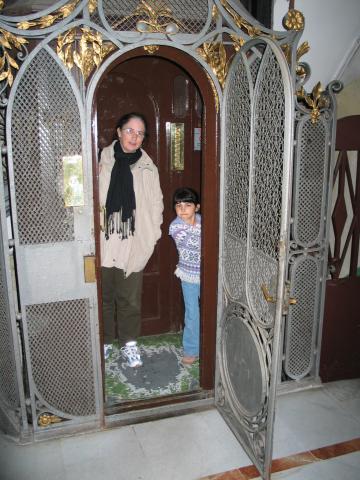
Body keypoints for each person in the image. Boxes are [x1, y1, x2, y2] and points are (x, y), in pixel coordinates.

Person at [99, 113, 163, 367]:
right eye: (129, 131)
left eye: (140, 133)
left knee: (129, 300)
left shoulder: (148, 167)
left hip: (133, 244)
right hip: (103, 242)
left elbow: (157, 205)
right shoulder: (101, 161)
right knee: (102, 298)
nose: (134, 137)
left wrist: (152, 237)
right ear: (118, 132)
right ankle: (103, 342)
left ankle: (129, 344)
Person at [169, 187, 201, 365]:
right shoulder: (175, 226)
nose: (182, 209)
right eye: (178, 205)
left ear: (196, 207)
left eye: (187, 205)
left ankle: (209, 343)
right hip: (188, 275)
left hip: (206, 274)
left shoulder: (204, 221)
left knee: (209, 310)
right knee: (192, 313)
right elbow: (193, 241)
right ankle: (191, 349)